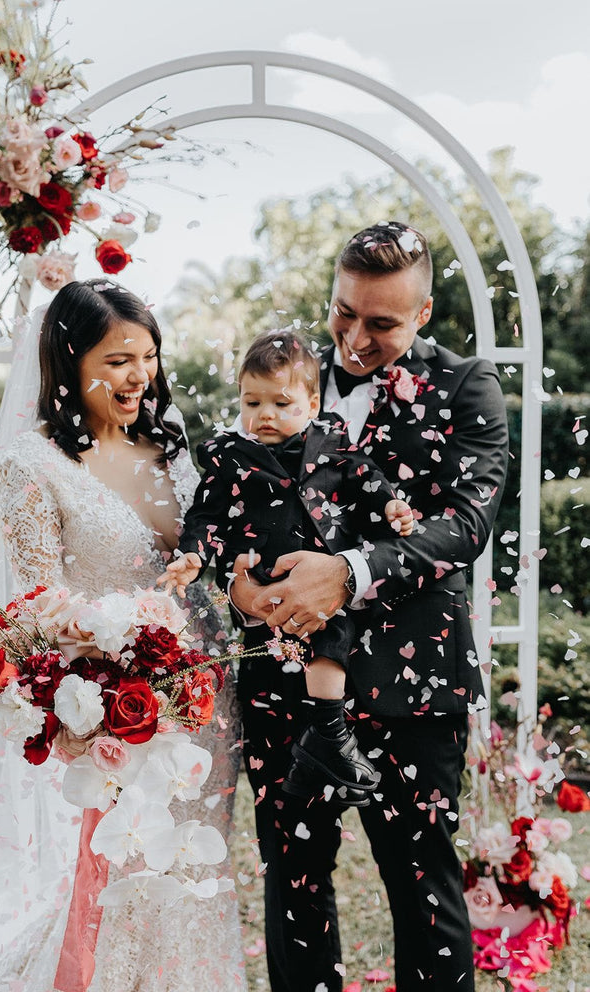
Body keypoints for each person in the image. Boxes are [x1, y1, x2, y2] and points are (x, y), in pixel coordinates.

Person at [0, 280, 246, 992]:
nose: (139, 376)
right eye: (118, 358)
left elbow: (207, 555)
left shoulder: (168, 450)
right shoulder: (33, 465)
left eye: (148, 357)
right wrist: (101, 660)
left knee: (194, 862)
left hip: (201, 703)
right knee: (119, 867)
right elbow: (35, 604)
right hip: (117, 709)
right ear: (70, 356)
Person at [229, 223, 509, 992]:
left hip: (412, 689)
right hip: (282, 679)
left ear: (422, 313)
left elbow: (465, 527)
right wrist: (236, 584)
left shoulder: (466, 387)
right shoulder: (288, 376)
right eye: (341, 313)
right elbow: (232, 501)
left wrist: (349, 574)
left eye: (379, 323)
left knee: (421, 884)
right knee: (293, 883)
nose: (352, 339)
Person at [161, 329, 413, 806]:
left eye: (280, 403)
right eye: (251, 403)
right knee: (271, 687)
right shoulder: (227, 456)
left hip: (319, 583)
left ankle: (327, 738)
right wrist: (195, 554)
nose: (264, 416)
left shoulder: (334, 441)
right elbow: (207, 515)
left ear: (312, 403)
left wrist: (391, 507)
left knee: (331, 638)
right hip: (264, 587)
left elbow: (366, 478)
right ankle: (305, 766)